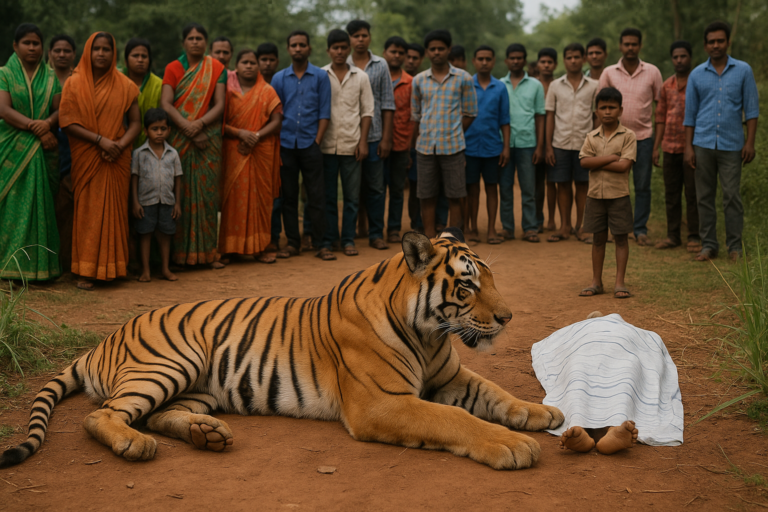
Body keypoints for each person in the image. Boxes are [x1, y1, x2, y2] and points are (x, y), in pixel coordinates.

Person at [59, 31, 141, 288]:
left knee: (116, 213)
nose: (101, 54)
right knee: (88, 212)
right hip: (88, 156)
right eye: (97, 49)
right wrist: (100, 141)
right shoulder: (73, 83)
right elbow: (67, 122)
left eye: (107, 49)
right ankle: (85, 270)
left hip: (117, 157)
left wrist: (119, 145)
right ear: (88, 51)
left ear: (113, 53)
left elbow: (136, 123)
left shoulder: (126, 85)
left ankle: (114, 267)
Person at [684, 21, 759, 263]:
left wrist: (750, 143)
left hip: (732, 145)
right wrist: (688, 147)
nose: (716, 45)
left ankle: (734, 246)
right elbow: (690, 115)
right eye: (711, 41)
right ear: (705, 45)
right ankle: (708, 245)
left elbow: (752, 110)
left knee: (731, 197)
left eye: (720, 41)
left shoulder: (743, 70)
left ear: (728, 42)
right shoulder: (696, 74)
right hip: (702, 144)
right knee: (704, 197)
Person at [161, 22, 226, 268]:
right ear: (183, 43)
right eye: (191, 38)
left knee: (207, 197)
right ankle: (178, 256)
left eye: (200, 38)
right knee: (178, 195)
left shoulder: (216, 68)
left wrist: (199, 125)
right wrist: (187, 127)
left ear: (206, 43)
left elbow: (220, 104)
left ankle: (208, 254)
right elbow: (166, 103)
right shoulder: (173, 68)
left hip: (207, 139)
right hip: (179, 138)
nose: (195, 42)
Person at [0, 24, 62, 281]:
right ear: (15, 46)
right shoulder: (4, 74)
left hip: (44, 147)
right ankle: (7, 264)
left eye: (36, 43)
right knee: (11, 206)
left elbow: (59, 110)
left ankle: (38, 267)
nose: (32, 48)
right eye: (27, 43)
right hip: (12, 145)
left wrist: (47, 124)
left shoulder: (51, 77)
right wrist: (37, 128)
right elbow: (4, 110)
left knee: (41, 207)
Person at [411, 29, 477, 239]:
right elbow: (416, 115)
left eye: (441, 48)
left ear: (449, 50)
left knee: (455, 195)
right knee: (426, 195)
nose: (437, 52)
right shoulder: (419, 80)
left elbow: (470, 113)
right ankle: (430, 238)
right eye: (432, 49)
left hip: (453, 146)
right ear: (427, 52)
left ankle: (452, 241)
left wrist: (454, 131)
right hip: (425, 147)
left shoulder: (463, 78)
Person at [598, 28, 662, 247]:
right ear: (620, 46)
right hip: (615, 139)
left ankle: (640, 229)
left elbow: (660, 107)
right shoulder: (609, 73)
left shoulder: (652, 72)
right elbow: (601, 108)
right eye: (626, 44)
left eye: (634, 44)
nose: (630, 48)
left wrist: (657, 144)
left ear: (640, 46)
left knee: (642, 186)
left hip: (643, 138)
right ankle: (614, 228)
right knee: (613, 186)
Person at [219, 49, 283, 264]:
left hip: (261, 150)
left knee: (260, 200)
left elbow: (276, 121)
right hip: (233, 149)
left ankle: (260, 248)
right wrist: (240, 134)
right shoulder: (227, 90)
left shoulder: (267, 91)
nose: (249, 66)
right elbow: (219, 122)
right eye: (244, 62)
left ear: (258, 67)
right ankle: (229, 248)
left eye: (252, 63)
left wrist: (255, 136)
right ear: (236, 66)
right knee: (232, 200)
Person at [271, 30, 330, 258]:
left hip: (310, 144)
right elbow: (276, 113)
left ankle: (321, 243)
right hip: (286, 144)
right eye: (294, 45)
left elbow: (324, 112)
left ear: (309, 48)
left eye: (302, 45)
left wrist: (317, 141)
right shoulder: (278, 78)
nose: (298, 49)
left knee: (316, 195)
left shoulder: (320, 76)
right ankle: (293, 243)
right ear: (288, 49)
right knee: (289, 196)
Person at [317, 29, 374, 261]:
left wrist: (363, 142)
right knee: (329, 197)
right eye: (335, 48)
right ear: (328, 50)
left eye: (343, 48)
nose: (339, 52)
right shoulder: (320, 75)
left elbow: (367, 111)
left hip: (352, 145)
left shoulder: (361, 76)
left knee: (351, 197)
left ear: (348, 50)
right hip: (326, 146)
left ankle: (348, 239)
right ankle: (330, 239)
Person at [578, 87, 636, 299]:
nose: (608, 111)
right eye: (603, 107)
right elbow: (584, 162)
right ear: (596, 111)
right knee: (598, 239)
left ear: (621, 110)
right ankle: (596, 282)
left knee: (621, 239)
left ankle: (619, 282)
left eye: (612, 107)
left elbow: (624, 166)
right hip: (595, 196)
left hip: (619, 195)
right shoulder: (591, 136)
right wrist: (611, 158)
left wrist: (597, 162)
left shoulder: (628, 136)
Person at [346, 19, 395, 250]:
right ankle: (348, 235)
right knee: (351, 189)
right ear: (349, 39)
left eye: (364, 35)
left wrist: (386, 138)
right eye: (356, 36)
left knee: (376, 188)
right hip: (348, 136)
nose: (360, 40)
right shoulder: (343, 63)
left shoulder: (380, 64)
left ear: (370, 37)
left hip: (375, 136)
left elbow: (387, 103)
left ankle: (376, 234)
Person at [545, 43, 598, 243]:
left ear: (584, 59)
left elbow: (596, 116)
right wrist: (548, 146)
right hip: (560, 143)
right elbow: (550, 115)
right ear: (564, 60)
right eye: (569, 57)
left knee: (583, 185)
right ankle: (564, 226)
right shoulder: (555, 85)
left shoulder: (594, 85)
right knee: (563, 185)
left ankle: (582, 226)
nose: (573, 61)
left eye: (577, 57)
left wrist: (596, 143)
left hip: (586, 144)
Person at [653, 41, 700, 253]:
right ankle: (673, 236)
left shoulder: (697, 82)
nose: (679, 60)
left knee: (693, 193)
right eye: (675, 57)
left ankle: (694, 235)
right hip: (669, 148)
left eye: (683, 56)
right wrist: (656, 147)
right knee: (671, 194)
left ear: (690, 57)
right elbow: (660, 117)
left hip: (692, 148)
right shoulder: (666, 85)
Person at [464, 45, 509, 245]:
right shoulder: (466, 85)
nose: (484, 62)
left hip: (492, 147)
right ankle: (472, 229)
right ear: (473, 61)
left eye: (488, 59)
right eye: (480, 59)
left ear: (493, 61)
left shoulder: (500, 87)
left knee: (492, 188)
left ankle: (491, 230)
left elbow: (505, 120)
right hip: (469, 147)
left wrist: (505, 147)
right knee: (471, 190)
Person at [130, 108, 182, 282]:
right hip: (145, 202)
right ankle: (146, 270)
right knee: (145, 234)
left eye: (163, 129)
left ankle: (165, 269)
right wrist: (135, 202)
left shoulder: (173, 154)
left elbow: (177, 179)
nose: (159, 133)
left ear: (169, 130)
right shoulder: (139, 153)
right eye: (155, 129)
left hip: (167, 201)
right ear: (146, 131)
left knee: (165, 235)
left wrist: (177, 203)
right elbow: (134, 178)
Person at [500, 43, 545, 243]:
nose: (516, 61)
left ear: (525, 61)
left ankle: (530, 227)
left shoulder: (536, 85)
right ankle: (507, 228)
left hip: (528, 143)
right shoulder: (499, 85)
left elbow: (540, 116)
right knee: (505, 188)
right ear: (506, 61)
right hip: (504, 144)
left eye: (519, 58)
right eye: (512, 58)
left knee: (528, 189)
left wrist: (540, 146)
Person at [404, 42, 447, 233]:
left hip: (435, 139)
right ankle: (417, 223)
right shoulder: (407, 81)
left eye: (415, 58)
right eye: (408, 57)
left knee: (440, 184)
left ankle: (439, 221)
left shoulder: (426, 80)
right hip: (413, 143)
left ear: (422, 59)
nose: (410, 61)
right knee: (417, 186)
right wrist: (410, 147)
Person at [48, 34, 76, 273]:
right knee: (49, 205)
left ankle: (67, 261)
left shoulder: (79, 80)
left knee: (68, 209)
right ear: (50, 54)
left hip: (73, 148)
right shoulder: (42, 80)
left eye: (67, 50)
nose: (62, 55)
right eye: (57, 50)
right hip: (44, 147)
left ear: (74, 55)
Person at [382, 36, 412, 244]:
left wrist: (410, 146)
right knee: (375, 189)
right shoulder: (376, 78)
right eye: (393, 51)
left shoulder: (411, 82)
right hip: (377, 142)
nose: (397, 55)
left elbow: (414, 115)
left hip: (402, 144)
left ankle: (393, 228)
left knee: (397, 189)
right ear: (385, 53)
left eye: (401, 53)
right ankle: (373, 228)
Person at [123, 38, 163, 148]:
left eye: (144, 56)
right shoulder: (116, 82)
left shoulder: (159, 85)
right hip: (120, 146)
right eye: (135, 56)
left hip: (151, 147)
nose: (140, 60)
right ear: (126, 61)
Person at [535, 47, 557, 234]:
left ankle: (551, 220)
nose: (546, 65)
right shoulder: (533, 85)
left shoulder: (559, 85)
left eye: (550, 62)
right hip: (535, 141)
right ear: (538, 64)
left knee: (553, 181)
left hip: (556, 139)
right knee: (537, 183)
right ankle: (537, 219)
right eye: (543, 62)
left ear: (555, 65)